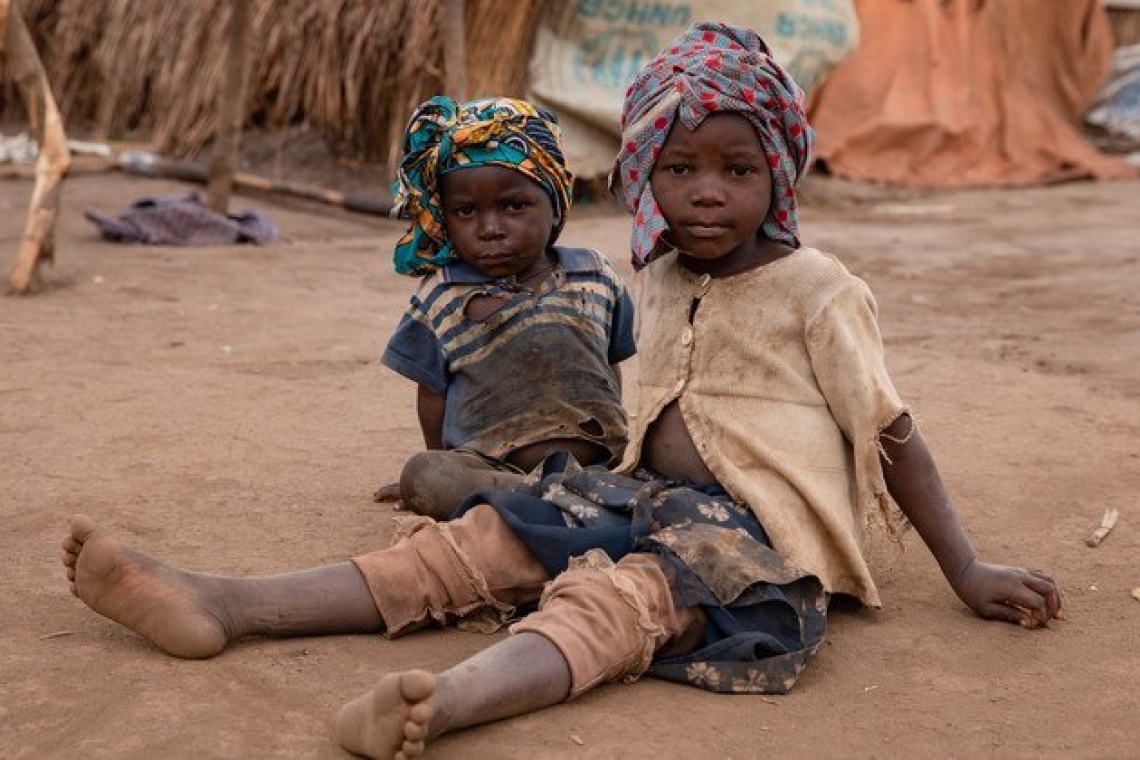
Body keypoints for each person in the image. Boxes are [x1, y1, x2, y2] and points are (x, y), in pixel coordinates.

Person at [61, 22, 1062, 760]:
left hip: (751, 544)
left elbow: (894, 436)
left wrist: (968, 570)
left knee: (614, 598)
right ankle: (229, 603)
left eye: (736, 170)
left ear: (781, 174)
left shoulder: (819, 290)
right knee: (485, 540)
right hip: (634, 497)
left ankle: (445, 701)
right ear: (641, 174)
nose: (706, 192)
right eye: (679, 168)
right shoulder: (661, 277)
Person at [371, 96, 636, 519]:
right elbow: (432, 393)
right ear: (446, 217)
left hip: (595, 460)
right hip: (491, 464)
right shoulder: (441, 295)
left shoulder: (595, 276)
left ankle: (547, 497)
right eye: (466, 212)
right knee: (425, 474)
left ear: (555, 207)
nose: (490, 229)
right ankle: (555, 498)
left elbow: (607, 365)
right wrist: (442, 462)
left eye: (514, 206)